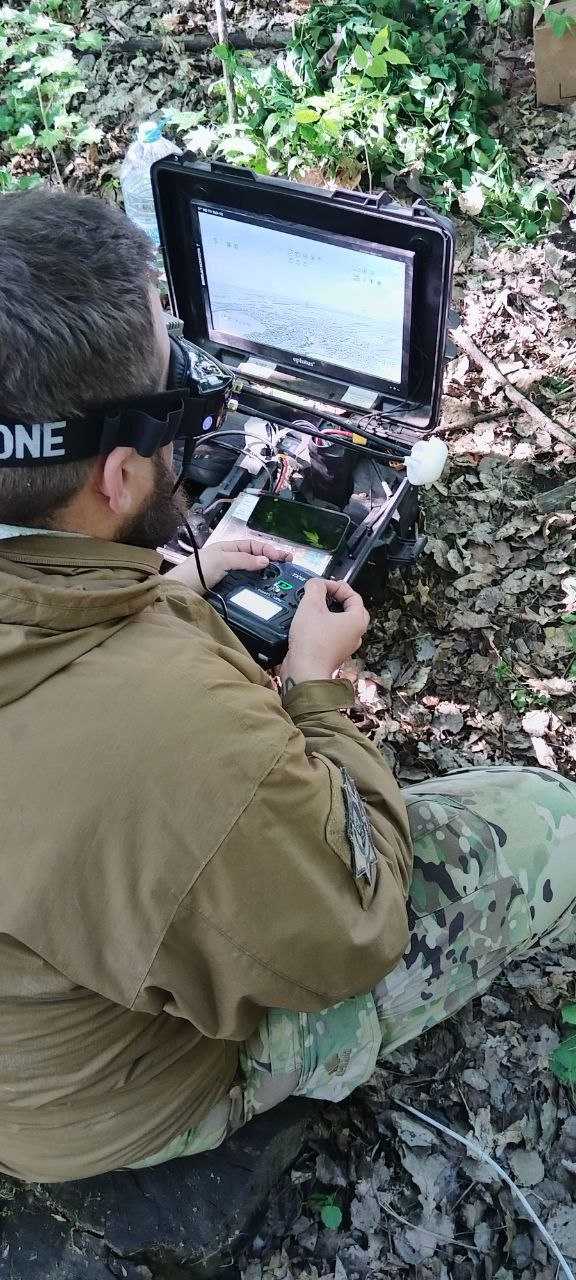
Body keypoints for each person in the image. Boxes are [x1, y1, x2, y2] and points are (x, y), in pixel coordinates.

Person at [0, 188, 574, 1185]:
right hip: (89, 1102)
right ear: (118, 477)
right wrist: (313, 687)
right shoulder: (172, 738)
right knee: (546, 811)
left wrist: (178, 580)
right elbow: (353, 926)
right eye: (175, 384)